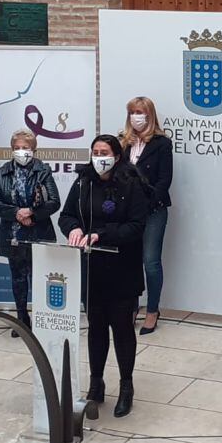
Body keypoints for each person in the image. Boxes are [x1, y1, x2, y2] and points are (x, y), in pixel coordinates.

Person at [59, 134, 149, 417]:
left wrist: (101, 234)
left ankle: (126, 386)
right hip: (92, 268)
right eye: (95, 151)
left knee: (121, 328)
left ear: (117, 156)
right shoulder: (83, 181)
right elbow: (66, 214)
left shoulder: (131, 184)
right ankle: (96, 384)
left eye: (105, 152)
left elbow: (136, 226)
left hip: (122, 267)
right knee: (96, 326)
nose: (99, 157)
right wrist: (72, 228)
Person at [0, 128, 61, 337]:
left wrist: (32, 212)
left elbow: (54, 202)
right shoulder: (1, 172)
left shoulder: (43, 171)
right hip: (13, 234)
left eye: (26, 148)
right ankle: (22, 319)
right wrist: (17, 213)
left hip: (38, 232)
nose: (22, 151)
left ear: (34, 149)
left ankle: (41, 317)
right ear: (12, 150)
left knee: (39, 277)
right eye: (18, 148)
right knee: (18, 278)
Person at [120, 96, 173, 335]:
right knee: (129, 261)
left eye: (140, 112)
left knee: (150, 262)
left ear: (149, 115)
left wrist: (147, 202)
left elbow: (164, 180)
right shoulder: (123, 142)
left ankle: (152, 310)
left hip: (153, 209)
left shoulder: (161, 143)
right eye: (132, 112)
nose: (136, 116)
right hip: (126, 212)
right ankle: (131, 307)